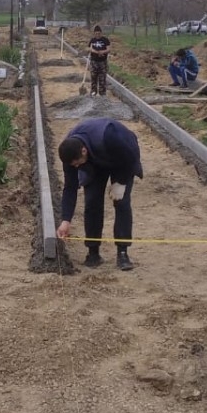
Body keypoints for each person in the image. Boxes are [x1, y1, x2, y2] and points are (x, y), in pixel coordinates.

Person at [57, 118, 143, 271]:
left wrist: (121, 182)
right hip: (94, 164)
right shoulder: (69, 152)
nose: (76, 167)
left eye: (77, 163)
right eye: (73, 165)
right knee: (92, 203)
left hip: (121, 159)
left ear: (83, 151)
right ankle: (93, 252)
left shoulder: (110, 136)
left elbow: (131, 157)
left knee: (121, 203)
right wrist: (66, 220)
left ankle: (122, 253)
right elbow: (70, 188)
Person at [87, 24, 111, 96]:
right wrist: (95, 51)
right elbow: (88, 48)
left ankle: (102, 94)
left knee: (102, 79)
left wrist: (102, 52)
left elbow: (109, 49)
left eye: (99, 33)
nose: (97, 35)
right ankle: (93, 93)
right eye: (96, 33)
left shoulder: (105, 40)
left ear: (101, 33)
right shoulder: (92, 40)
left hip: (103, 62)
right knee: (93, 78)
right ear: (94, 33)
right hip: (94, 62)